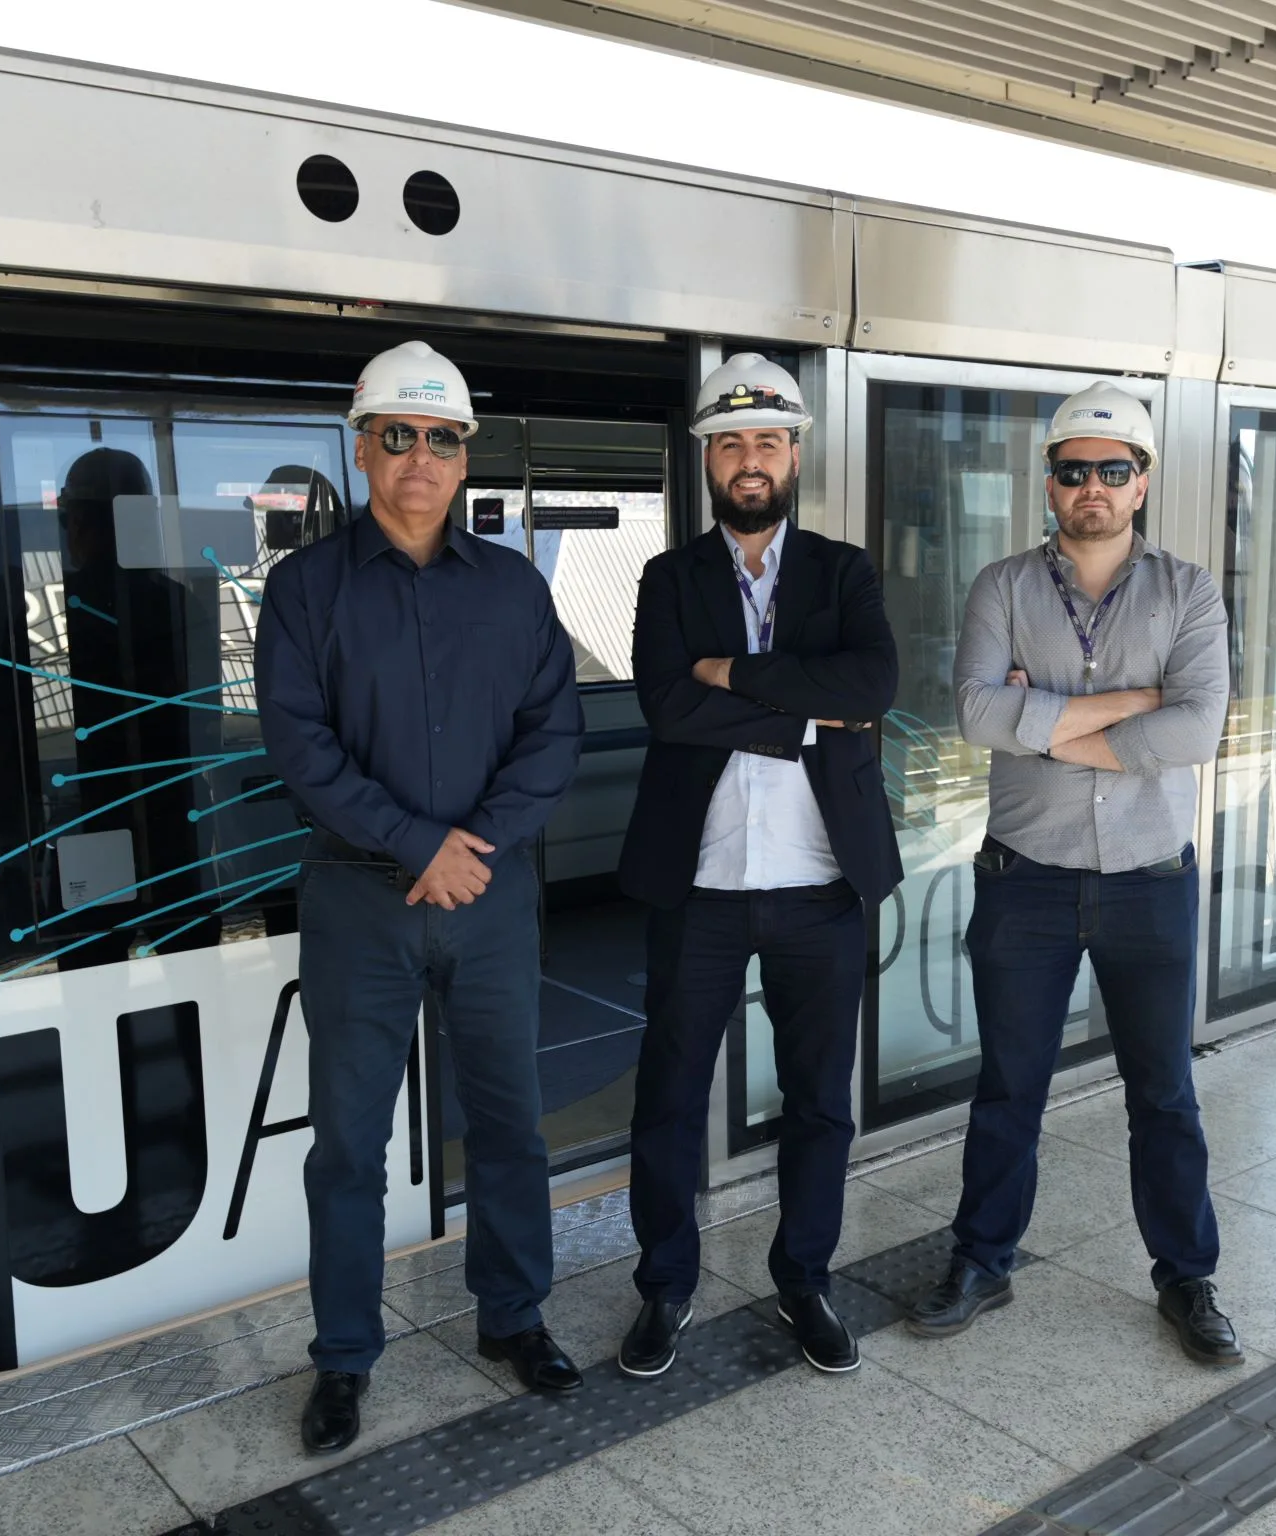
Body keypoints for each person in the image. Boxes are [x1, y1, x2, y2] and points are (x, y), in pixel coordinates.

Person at [255, 339, 586, 1455]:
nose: (420, 458)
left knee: (509, 1123)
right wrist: (416, 845)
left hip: (488, 895)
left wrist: (470, 848)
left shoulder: (513, 586)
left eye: (441, 439)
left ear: (463, 457)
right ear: (361, 449)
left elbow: (553, 731)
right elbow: (300, 748)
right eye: (397, 435)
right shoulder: (306, 589)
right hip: (360, 902)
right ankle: (345, 1355)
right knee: (348, 1144)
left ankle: (515, 1315)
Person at [906, 381, 1242, 1367]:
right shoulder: (1001, 587)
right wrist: (1137, 704)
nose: (1092, 485)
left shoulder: (1190, 592)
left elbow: (1199, 728)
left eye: (1113, 469)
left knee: (1164, 1093)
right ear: (1048, 482)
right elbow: (976, 715)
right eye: (1073, 470)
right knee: (1008, 1088)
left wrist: (1046, 724)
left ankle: (1187, 1278)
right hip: (1028, 881)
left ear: (1142, 482)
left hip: (1151, 880)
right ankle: (982, 1262)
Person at [616, 354, 901, 1379]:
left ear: (794, 455)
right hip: (698, 887)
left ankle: (804, 1279)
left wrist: (731, 674)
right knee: (668, 1098)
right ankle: (665, 1286)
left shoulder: (844, 571)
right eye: (730, 442)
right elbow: (667, 706)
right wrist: (803, 714)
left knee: (821, 1100)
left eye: (767, 441)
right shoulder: (668, 577)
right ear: (708, 458)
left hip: (821, 885)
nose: (749, 459)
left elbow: (871, 685)